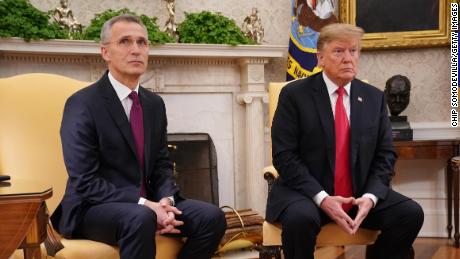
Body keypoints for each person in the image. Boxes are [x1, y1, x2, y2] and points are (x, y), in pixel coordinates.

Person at [51, 14, 226, 259]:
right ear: (105, 52)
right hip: (92, 209)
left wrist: (166, 201)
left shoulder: (154, 104)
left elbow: (162, 164)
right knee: (140, 217)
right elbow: (85, 180)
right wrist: (148, 206)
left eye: (142, 42)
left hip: (148, 206)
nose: (136, 50)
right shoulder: (82, 104)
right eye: (125, 42)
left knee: (211, 217)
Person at [266, 23, 423, 259]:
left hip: (358, 193)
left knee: (410, 214)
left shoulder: (374, 98)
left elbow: (386, 155)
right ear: (320, 58)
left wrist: (370, 198)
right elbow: (284, 155)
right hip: (307, 193)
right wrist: (323, 198)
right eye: (339, 51)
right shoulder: (294, 95)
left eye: (354, 51)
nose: (348, 59)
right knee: (300, 219)